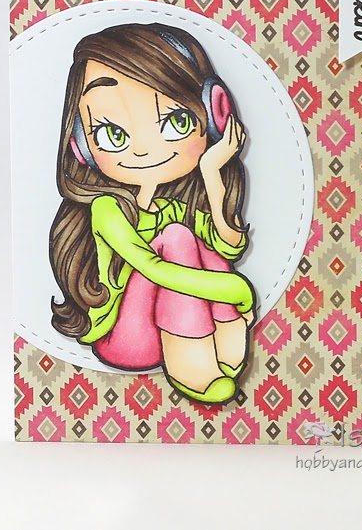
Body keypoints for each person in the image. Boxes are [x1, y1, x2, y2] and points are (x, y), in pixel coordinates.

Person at [49, 22, 255, 405]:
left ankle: (224, 351)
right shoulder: (107, 209)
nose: (143, 149)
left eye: (176, 122)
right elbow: (154, 269)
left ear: (213, 116)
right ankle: (191, 365)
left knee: (185, 236)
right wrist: (237, 291)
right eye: (113, 133)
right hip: (125, 340)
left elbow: (228, 248)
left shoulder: (172, 208)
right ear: (81, 144)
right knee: (176, 238)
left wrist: (212, 171)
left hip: (177, 328)